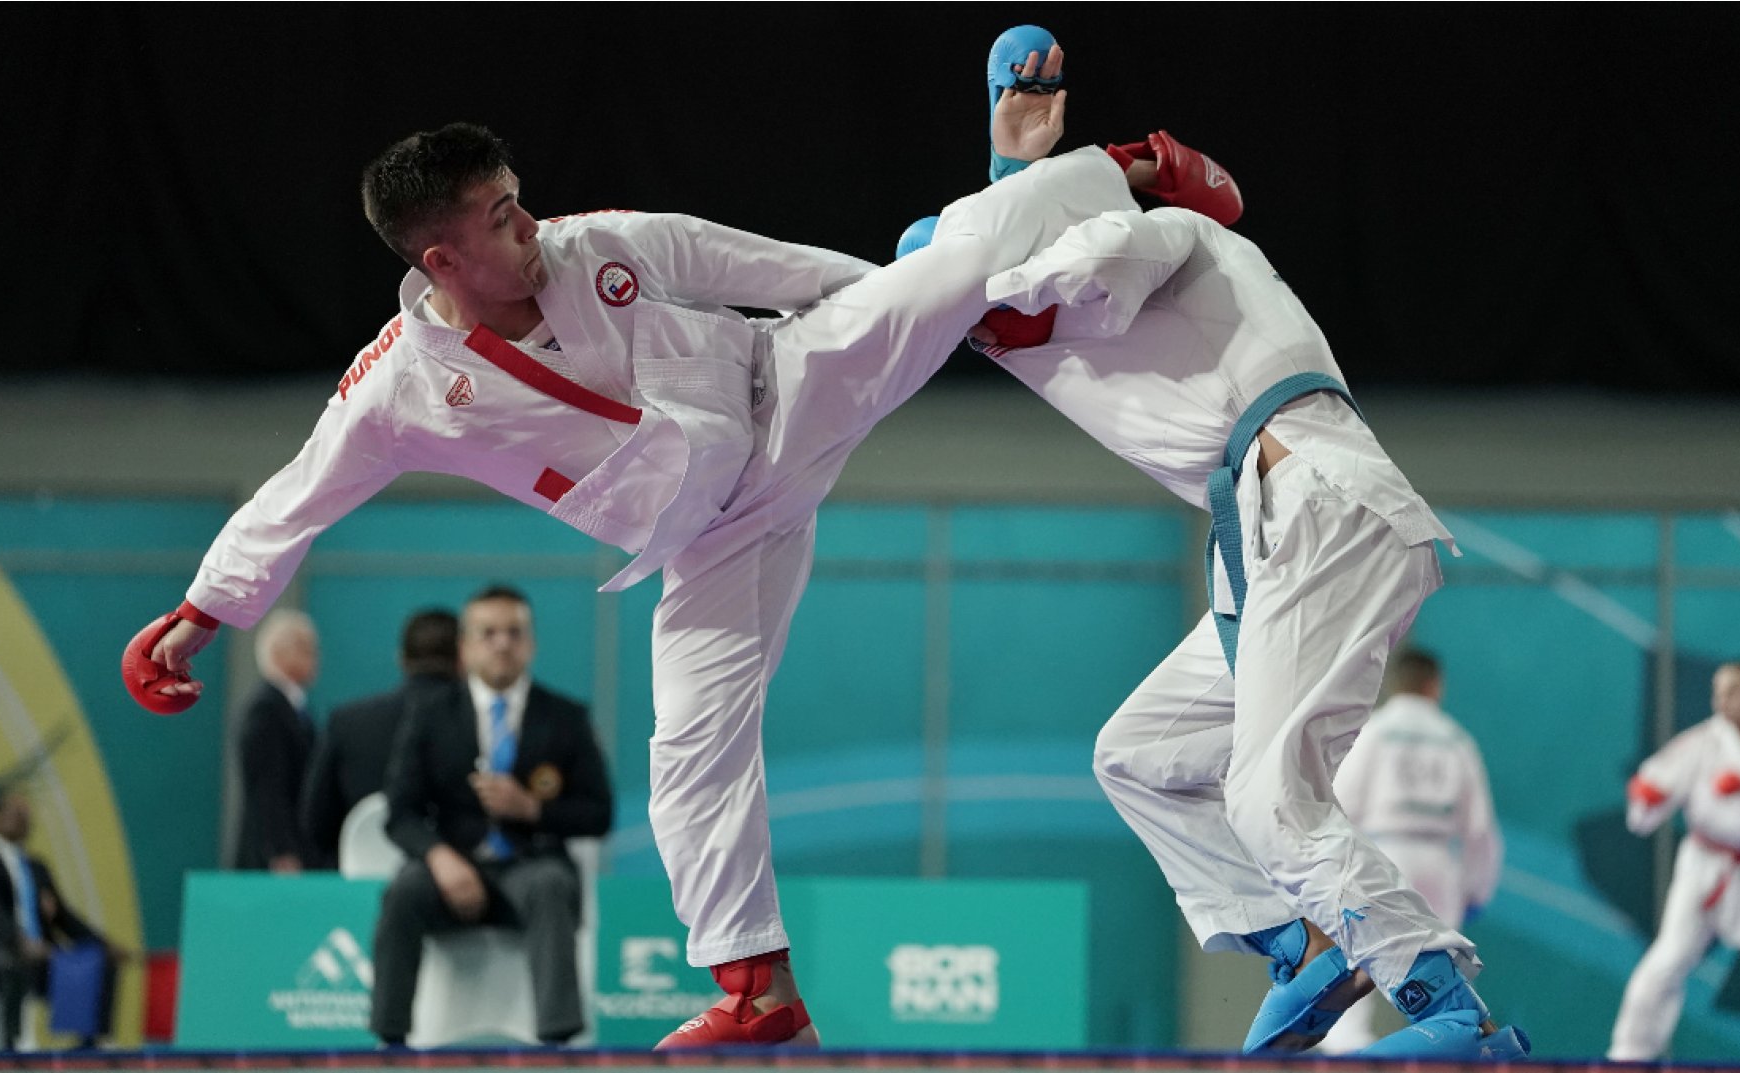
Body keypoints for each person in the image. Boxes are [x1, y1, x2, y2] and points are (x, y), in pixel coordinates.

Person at [124, 62, 1154, 1046]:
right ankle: (759, 989)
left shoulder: (598, 243)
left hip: (779, 397)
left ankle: (1125, 168)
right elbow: (299, 492)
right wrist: (200, 612)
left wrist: (916, 296)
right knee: (686, 752)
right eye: (499, 218)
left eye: (517, 199)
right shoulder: (399, 390)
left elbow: (755, 264)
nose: (529, 225)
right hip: (707, 537)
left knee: (941, 276)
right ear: (438, 260)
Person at [893, 27, 1525, 1057]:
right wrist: (1008, 181)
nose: (969, 328)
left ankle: (1445, 1003)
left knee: (1270, 797)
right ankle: (1302, 946)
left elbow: (1087, 250)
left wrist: (1002, 257)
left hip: (1318, 498)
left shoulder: (1173, 240)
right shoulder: (1047, 320)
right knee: (1138, 756)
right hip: (1270, 534)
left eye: (962, 300)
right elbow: (1017, 240)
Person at [372, 585, 612, 1045]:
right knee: (402, 892)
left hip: (531, 866)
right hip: (451, 869)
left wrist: (532, 808)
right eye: (488, 633)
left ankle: (559, 1044)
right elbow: (399, 812)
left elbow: (598, 814)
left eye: (514, 633)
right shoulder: (430, 715)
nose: (502, 643)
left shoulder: (566, 718)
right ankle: (390, 1043)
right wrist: (441, 858)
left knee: (549, 887)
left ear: (531, 644)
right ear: (465, 646)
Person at [1608, 661, 1740, 1063]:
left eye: (1731, 690)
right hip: (1706, 868)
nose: (1719, 700)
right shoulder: (1701, 742)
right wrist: (1647, 799)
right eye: (1717, 690)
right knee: (1668, 962)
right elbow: (1655, 784)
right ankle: (1629, 1055)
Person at [1319, 647, 1503, 1053]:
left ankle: (1347, 1048)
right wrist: (1477, 889)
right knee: (1443, 967)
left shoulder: (1376, 731)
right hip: (1438, 861)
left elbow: (1340, 804)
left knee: (1360, 955)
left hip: (1385, 853)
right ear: (1434, 685)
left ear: (1395, 682)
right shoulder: (1456, 739)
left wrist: (1334, 872)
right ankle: (1449, 1043)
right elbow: (1480, 830)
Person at [0, 789, 120, 1049]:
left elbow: (63, 916)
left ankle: (88, 1043)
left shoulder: (37, 868)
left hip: (41, 954)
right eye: (14, 813)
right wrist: (18, 940)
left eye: (26, 815)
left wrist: (101, 942)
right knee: (12, 960)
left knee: (98, 958)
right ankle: (11, 1045)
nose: (22, 819)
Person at [302, 608, 460, 868]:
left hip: (357, 886)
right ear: (462, 658)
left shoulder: (345, 722)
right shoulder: (477, 725)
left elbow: (314, 822)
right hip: (452, 885)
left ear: (402, 659)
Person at [234, 609, 321, 872]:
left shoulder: (292, 708)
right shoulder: (266, 709)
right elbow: (267, 786)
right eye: (306, 649)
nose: (316, 658)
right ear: (280, 653)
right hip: (272, 858)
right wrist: (281, 850)